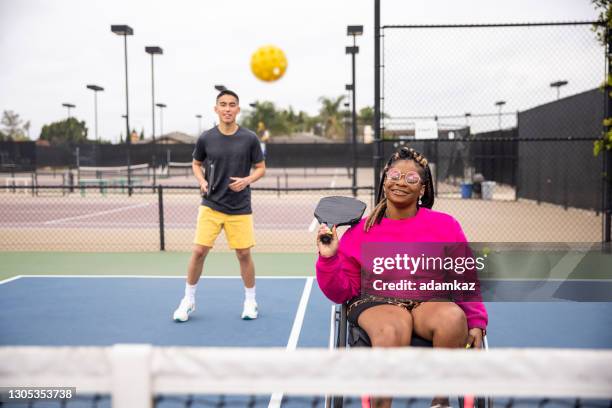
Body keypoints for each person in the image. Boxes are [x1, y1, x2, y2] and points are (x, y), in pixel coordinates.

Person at [316, 147, 488, 408]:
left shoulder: (445, 225)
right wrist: (329, 258)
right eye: (394, 175)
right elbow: (342, 292)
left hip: (428, 300)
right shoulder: (360, 232)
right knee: (393, 327)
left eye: (411, 179)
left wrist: (475, 319)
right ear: (384, 181)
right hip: (375, 302)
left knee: (453, 318)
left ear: (422, 189)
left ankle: (441, 401)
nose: (400, 182)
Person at [173, 89, 266, 322]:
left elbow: (261, 168)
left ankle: (250, 301)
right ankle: (188, 300)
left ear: (238, 109)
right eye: (223, 104)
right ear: (216, 109)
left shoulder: (250, 138)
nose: (227, 108)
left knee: (244, 254)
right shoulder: (206, 138)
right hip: (211, 205)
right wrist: (202, 181)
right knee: (198, 251)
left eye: (232, 104)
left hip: (239, 207)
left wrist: (247, 180)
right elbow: (196, 164)